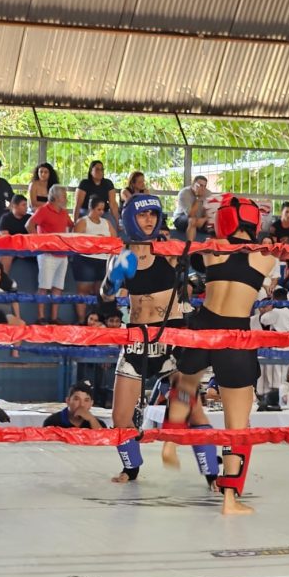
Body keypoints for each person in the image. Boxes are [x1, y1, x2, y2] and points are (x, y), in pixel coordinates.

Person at [163, 194, 273, 515]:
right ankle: (228, 499)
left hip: (203, 324)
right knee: (236, 426)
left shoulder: (212, 250)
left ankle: (170, 442)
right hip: (234, 333)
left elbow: (191, 239)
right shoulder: (265, 257)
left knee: (185, 386)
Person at [101, 194, 219, 489]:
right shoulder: (121, 255)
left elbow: (195, 269)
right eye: (143, 215)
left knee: (192, 409)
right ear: (131, 219)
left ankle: (213, 474)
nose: (149, 219)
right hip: (137, 340)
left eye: (153, 214)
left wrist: (192, 278)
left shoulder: (168, 249)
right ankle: (132, 468)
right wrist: (112, 281)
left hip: (171, 339)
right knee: (120, 417)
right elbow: (105, 296)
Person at [26, 184, 74, 324]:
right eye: (64, 196)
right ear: (56, 197)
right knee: (44, 286)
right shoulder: (43, 210)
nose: (66, 198)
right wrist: (39, 242)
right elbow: (29, 225)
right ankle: (41, 317)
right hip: (47, 254)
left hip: (62, 254)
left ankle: (54, 317)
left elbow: (73, 225)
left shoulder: (63, 212)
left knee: (58, 287)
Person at [71, 196, 116, 325]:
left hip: (103, 260)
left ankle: (98, 320)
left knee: (100, 292)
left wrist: (104, 242)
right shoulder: (82, 222)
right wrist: (94, 239)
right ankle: (81, 320)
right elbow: (75, 241)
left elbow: (115, 239)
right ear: (91, 208)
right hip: (86, 259)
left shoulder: (106, 222)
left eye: (102, 209)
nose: (101, 212)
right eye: (98, 209)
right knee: (83, 291)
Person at [73, 160, 119, 224]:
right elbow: (78, 205)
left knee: (111, 223)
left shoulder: (108, 183)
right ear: (91, 171)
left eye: (102, 169)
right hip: (87, 211)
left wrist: (117, 222)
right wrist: (75, 223)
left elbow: (113, 204)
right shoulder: (84, 184)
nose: (100, 172)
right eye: (97, 169)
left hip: (103, 212)